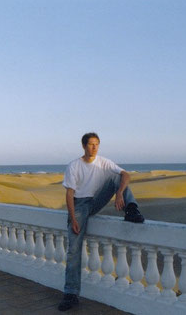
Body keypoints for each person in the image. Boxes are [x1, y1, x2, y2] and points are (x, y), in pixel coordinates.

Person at [58, 132, 144, 311]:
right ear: (83, 146)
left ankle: (132, 209)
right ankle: (70, 293)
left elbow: (126, 175)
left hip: (96, 200)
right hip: (80, 205)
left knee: (117, 177)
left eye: (97, 144)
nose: (94, 147)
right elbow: (69, 194)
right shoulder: (74, 166)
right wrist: (73, 218)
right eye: (90, 144)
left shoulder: (104, 162)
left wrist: (119, 192)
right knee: (74, 250)